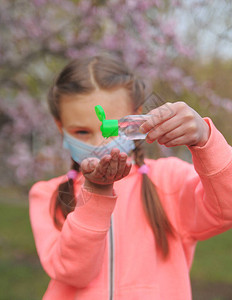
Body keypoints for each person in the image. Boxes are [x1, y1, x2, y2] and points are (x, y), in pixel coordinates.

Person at [29, 53, 232, 300]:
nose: (98, 143)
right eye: (81, 131)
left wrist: (205, 140)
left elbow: (226, 209)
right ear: (60, 126)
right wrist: (95, 195)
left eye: (110, 128)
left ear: (135, 119)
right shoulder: (46, 195)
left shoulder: (170, 179)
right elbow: (74, 273)